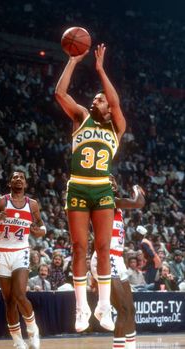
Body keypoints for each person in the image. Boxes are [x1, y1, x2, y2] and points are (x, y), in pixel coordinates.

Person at [55, 44, 126, 332]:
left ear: (108, 108)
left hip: (102, 188)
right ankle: (82, 307)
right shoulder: (81, 116)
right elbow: (60, 93)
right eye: (96, 98)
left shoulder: (116, 127)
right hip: (79, 187)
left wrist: (99, 69)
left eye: (100, 99)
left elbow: (116, 102)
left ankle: (103, 306)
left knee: (104, 248)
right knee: (79, 247)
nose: (95, 100)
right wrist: (73, 61)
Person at [0, 170, 46, 349]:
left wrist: (40, 231)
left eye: (22, 178)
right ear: (10, 183)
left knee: (19, 295)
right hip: (2, 253)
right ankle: (18, 341)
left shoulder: (32, 204)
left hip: (21, 252)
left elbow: (41, 226)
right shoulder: (1, 202)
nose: (18, 179)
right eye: (15, 177)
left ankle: (33, 330)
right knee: (9, 301)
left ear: (25, 184)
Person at [91, 183, 145, 349]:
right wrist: (136, 188)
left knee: (130, 309)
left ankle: (131, 346)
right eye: (108, 179)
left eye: (114, 180)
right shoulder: (106, 201)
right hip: (106, 258)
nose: (113, 182)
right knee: (122, 309)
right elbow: (138, 203)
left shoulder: (117, 208)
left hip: (117, 259)